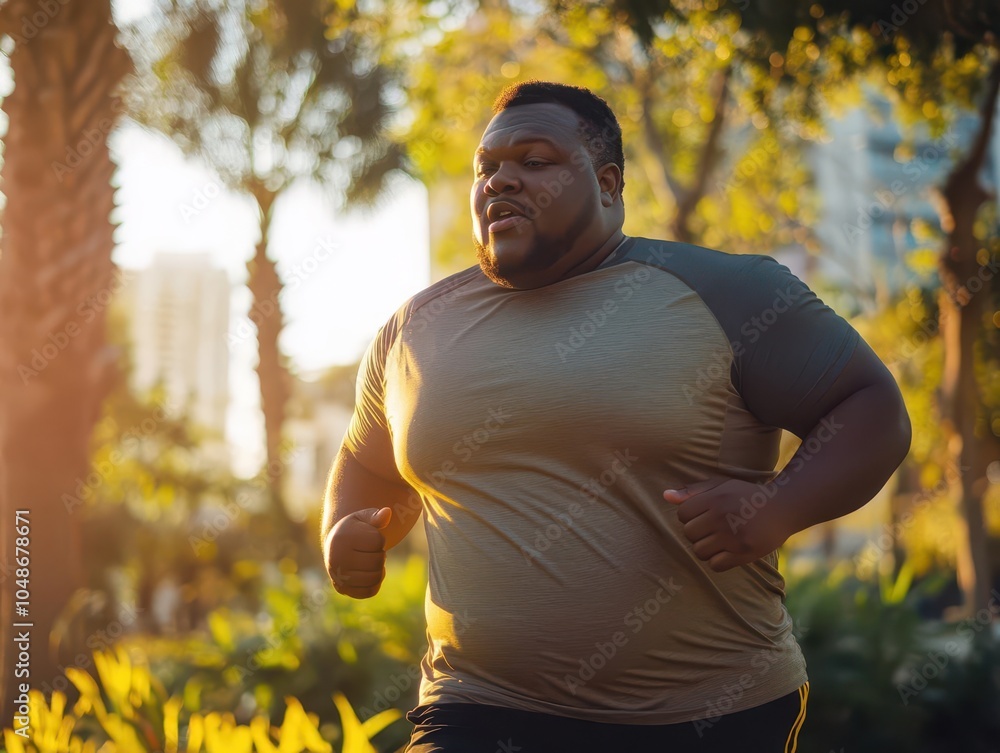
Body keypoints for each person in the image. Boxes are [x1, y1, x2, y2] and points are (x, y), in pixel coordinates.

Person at [321, 81, 911, 752]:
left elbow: (872, 407)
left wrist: (778, 503)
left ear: (608, 184)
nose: (501, 180)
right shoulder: (412, 331)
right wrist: (344, 532)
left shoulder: (732, 293)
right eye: (486, 167)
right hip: (476, 709)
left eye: (535, 161)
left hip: (706, 717)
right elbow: (364, 462)